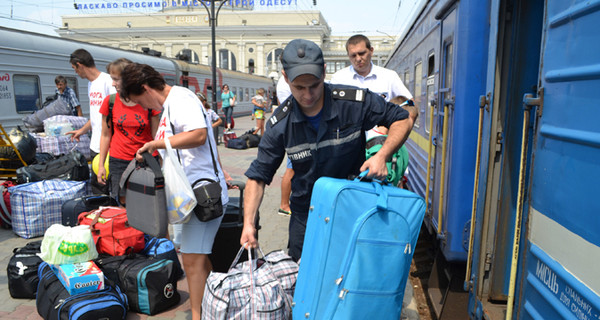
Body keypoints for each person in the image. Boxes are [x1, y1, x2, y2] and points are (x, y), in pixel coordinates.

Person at [240, 39, 413, 261]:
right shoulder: (279, 124)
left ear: (323, 72)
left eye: (314, 85)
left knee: (349, 279)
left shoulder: (353, 102)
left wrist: (382, 156)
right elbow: (258, 176)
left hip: (353, 210)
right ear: (285, 78)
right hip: (307, 215)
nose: (308, 95)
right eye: (299, 88)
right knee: (304, 282)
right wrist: (248, 224)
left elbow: (402, 118)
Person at [120, 63, 229, 320]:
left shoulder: (180, 99)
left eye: (139, 101)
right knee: (197, 258)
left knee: (191, 260)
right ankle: (218, 302)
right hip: (190, 194)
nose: (144, 108)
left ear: (145, 88)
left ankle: (198, 315)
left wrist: (156, 143)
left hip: (203, 194)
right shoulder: (170, 104)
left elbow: (200, 135)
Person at [97, 58, 160, 204]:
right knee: (123, 203)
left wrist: (161, 163)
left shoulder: (148, 102)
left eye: (116, 79)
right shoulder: (110, 102)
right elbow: (105, 135)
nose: (113, 83)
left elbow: (156, 136)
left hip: (146, 160)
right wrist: (101, 165)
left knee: (147, 203)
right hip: (119, 161)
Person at [66, 48, 116, 194]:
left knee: (107, 188)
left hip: (108, 145)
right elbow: (97, 116)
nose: (75, 72)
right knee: (98, 188)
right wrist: (82, 130)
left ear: (80, 64)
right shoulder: (90, 84)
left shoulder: (107, 82)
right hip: (95, 145)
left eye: (74, 68)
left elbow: (114, 114)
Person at [330, 34, 412, 101]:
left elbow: (410, 104)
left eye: (362, 53)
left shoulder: (389, 77)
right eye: (353, 55)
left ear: (371, 51)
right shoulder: (338, 79)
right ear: (348, 56)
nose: (358, 59)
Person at [276, 76, 294, 217]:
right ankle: (284, 205)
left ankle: (285, 203)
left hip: (292, 126)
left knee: (292, 168)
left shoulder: (282, 81)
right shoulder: (285, 81)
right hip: (295, 127)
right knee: (291, 169)